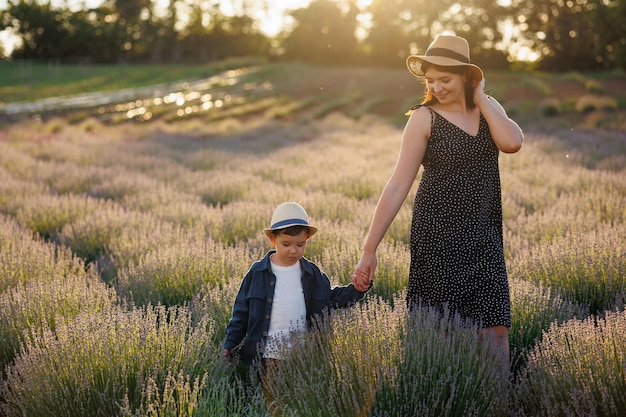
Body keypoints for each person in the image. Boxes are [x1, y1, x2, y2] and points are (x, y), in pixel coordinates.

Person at [352, 34, 523, 364]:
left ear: (466, 76)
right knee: (441, 332)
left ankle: (495, 404)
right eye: (431, 80)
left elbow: (513, 142)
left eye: (445, 79)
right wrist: (368, 250)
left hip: (484, 238)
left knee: (495, 330)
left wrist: (482, 97)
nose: (437, 86)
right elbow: (398, 186)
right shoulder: (423, 118)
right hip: (438, 239)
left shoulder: (490, 109)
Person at [223, 202, 369, 409]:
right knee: (266, 404)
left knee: (295, 404)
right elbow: (240, 313)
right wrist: (229, 344)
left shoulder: (311, 273)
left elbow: (331, 299)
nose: (293, 250)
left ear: (307, 240)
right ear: (272, 239)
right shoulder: (257, 273)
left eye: (300, 245)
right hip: (265, 356)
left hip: (301, 356)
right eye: (286, 244)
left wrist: (358, 289)